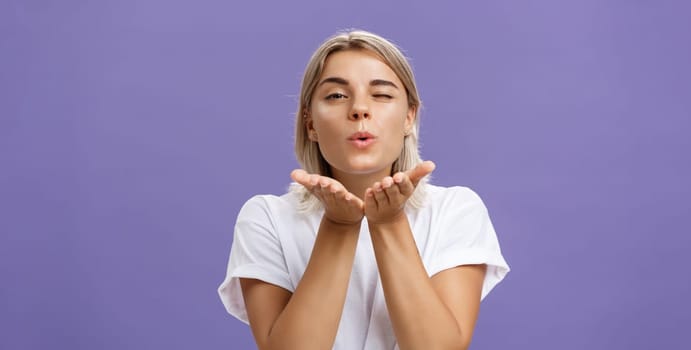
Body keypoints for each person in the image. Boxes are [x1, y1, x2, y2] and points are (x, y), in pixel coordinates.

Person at [218, 29, 509, 350]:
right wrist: (339, 226)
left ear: (409, 117)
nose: (359, 109)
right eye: (336, 96)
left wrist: (389, 223)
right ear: (310, 123)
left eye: (382, 95)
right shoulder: (266, 217)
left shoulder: (456, 210)